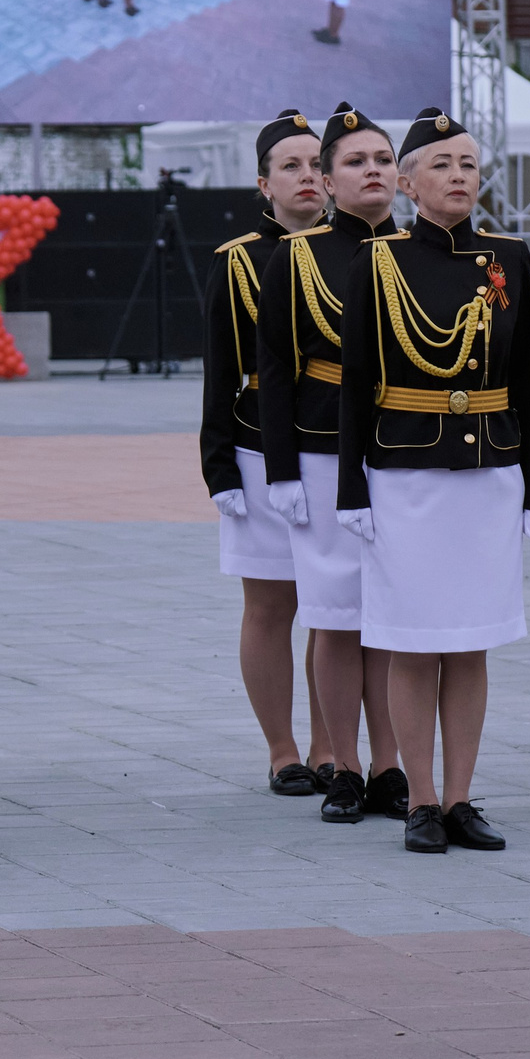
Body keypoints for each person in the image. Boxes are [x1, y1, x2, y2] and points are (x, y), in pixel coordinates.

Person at [335, 111, 530, 855]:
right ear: (407, 181)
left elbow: (527, 381)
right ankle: (419, 797)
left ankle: (460, 796)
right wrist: (352, 489)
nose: (460, 176)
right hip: (406, 476)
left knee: (473, 642)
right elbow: (357, 381)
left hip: (488, 472)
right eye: (444, 164)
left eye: (470, 165)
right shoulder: (378, 261)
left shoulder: (510, 258)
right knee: (414, 642)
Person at [259, 105, 403, 824]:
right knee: (338, 616)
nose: (371, 168)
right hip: (319, 453)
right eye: (354, 160)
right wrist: (279, 471)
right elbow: (277, 370)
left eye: (382, 157)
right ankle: (344, 765)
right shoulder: (299, 255)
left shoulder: (420, 251)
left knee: (396, 621)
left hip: (406, 456)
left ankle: (391, 765)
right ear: (327, 178)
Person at [203, 111, 330, 795]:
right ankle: (284, 749)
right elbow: (219, 372)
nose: (307, 176)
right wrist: (218, 465)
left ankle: (329, 742)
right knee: (271, 604)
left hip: (338, 448)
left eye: (316, 164)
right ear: (264, 183)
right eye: (291, 166)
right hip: (257, 446)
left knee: (335, 607)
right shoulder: (239, 260)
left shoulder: (365, 249)